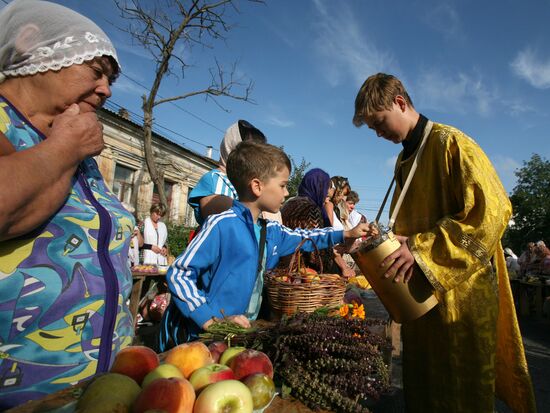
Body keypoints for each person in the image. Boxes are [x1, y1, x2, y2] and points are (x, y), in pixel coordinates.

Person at [353, 73, 535, 412]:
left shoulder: (451, 143)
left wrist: (421, 249)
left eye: (379, 124)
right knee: (425, 390)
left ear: (400, 103)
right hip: (421, 302)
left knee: (460, 395)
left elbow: (492, 211)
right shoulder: (404, 159)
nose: (378, 134)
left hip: (461, 305)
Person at [0, 1, 134, 408]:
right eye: (96, 72)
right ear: (32, 46)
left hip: (109, 389)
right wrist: (64, 149)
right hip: (25, 395)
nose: (106, 90)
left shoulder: (81, 150)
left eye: (110, 79)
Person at [159, 142, 372, 348]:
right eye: (282, 185)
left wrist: (346, 233)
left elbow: (306, 236)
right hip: (199, 339)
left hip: (232, 337)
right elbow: (179, 274)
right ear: (257, 186)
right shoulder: (222, 224)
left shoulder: (270, 231)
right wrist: (210, 320)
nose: (287, 192)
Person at [188, 119, 266, 227]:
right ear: (232, 146)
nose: (255, 156)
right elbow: (226, 223)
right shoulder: (213, 179)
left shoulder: (251, 183)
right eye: (249, 149)